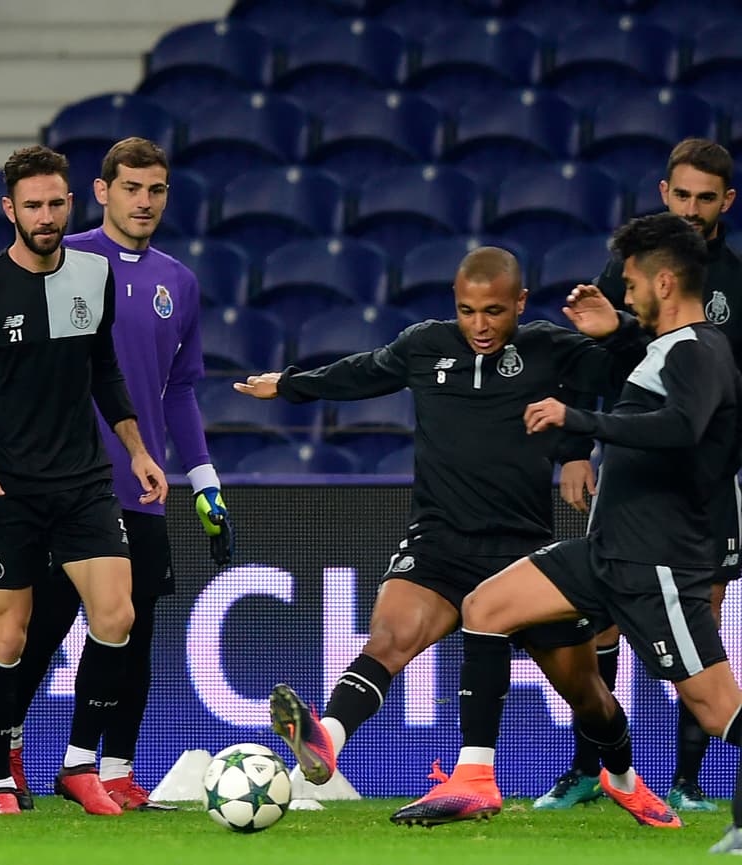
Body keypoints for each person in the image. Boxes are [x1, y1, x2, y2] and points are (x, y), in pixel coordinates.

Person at [233, 246, 658, 822]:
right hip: (439, 540)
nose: (479, 326)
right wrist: (288, 385)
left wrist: (618, 333)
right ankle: (327, 737)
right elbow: (361, 373)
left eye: (494, 311)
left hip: (523, 552)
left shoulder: (549, 349)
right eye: (466, 311)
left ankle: (623, 776)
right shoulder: (425, 345)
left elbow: (634, 377)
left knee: (587, 693)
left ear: (520, 303)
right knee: (388, 640)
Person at [390, 213, 742, 852]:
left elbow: (683, 426)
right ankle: (476, 777)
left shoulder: (699, 350)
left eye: (632, 282)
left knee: (720, 711)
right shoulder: (668, 348)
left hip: (655, 567)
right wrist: (615, 337)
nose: (624, 291)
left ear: (664, 283)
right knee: (487, 606)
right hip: (606, 553)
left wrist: (577, 418)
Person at [0, 144, 169, 816]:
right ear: (10, 209)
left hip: (85, 480)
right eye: (32, 204)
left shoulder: (93, 275)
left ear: (72, 203)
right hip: (6, 487)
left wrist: (138, 449)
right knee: (8, 637)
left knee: (117, 614)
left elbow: (103, 371)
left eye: (56, 203)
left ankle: (79, 762)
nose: (46, 215)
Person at [2, 138, 230, 812]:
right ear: (101, 192)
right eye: (131, 187)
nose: (145, 201)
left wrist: (205, 478)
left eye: (156, 189)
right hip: (63, 483)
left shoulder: (178, 282)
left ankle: (115, 769)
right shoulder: (60, 260)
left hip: (144, 485)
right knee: (41, 628)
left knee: (136, 631)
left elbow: (180, 391)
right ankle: (4, 756)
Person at [540, 138, 742, 813]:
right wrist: (573, 445)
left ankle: (688, 781)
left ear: (726, 202)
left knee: (701, 616)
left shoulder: (735, 281)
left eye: (705, 198)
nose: (691, 208)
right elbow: (600, 360)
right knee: (597, 617)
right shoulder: (632, 264)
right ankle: (589, 768)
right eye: (681, 194)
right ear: (664, 192)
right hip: (637, 471)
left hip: (711, 479)